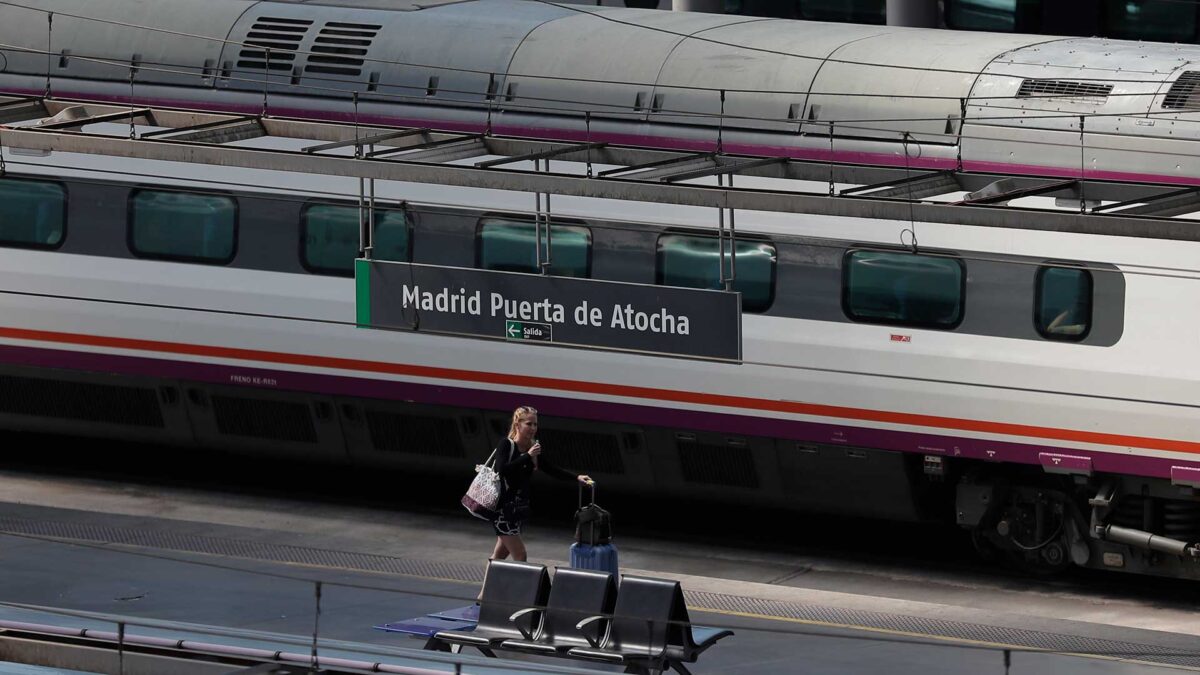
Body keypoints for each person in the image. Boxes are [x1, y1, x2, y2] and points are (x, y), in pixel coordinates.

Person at [489, 405, 592, 562]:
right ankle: (522, 587)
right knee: (520, 555)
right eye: (528, 424)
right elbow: (502, 470)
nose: (532, 428)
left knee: (498, 556)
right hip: (503, 510)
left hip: (517, 510)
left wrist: (576, 477)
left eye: (535, 424)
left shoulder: (532, 448)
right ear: (517, 424)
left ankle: (486, 588)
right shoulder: (506, 445)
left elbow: (551, 469)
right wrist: (527, 456)